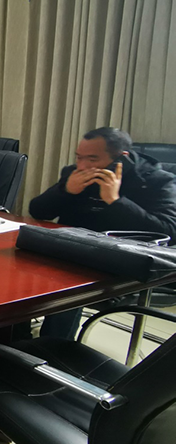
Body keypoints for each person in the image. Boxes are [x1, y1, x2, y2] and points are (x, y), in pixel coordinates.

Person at [28, 127, 176, 340]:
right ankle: (12, 337)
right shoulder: (75, 173)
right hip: (71, 249)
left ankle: (53, 348)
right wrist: (65, 191)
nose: (82, 166)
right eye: (79, 157)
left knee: (70, 283)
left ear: (121, 159)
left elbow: (169, 231)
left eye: (92, 159)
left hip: (122, 257)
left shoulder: (156, 181)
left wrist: (116, 202)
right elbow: (38, 211)